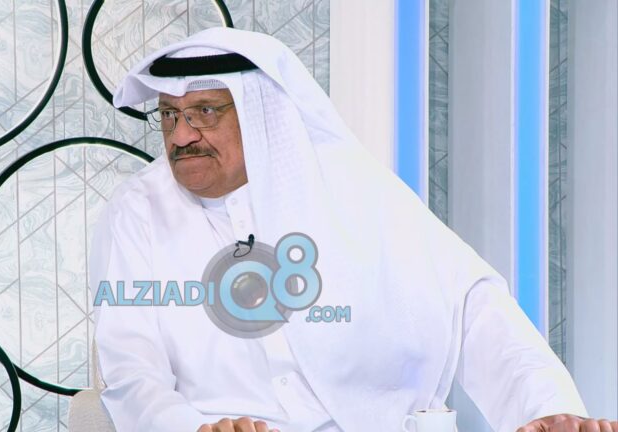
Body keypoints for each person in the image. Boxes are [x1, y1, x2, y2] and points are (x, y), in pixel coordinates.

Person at [88, 27, 616, 432]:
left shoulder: (351, 188)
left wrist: (545, 409)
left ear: (258, 112)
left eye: (204, 112)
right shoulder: (138, 211)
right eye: (169, 116)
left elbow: (472, 305)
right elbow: (131, 365)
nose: (181, 136)